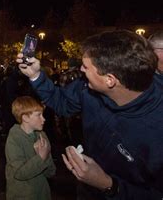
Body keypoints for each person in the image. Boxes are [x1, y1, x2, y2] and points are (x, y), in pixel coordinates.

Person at [17, 30, 163, 199]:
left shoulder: (157, 129)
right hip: (86, 191)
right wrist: (36, 75)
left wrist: (108, 184)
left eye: (86, 67)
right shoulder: (88, 88)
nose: (80, 70)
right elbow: (63, 103)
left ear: (110, 80)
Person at [5, 96, 56, 200]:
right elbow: (20, 173)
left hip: (42, 194)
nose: (44, 119)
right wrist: (41, 158)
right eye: (39, 115)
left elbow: (51, 172)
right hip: (22, 195)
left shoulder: (42, 135)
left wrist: (46, 156)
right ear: (25, 118)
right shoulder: (14, 139)